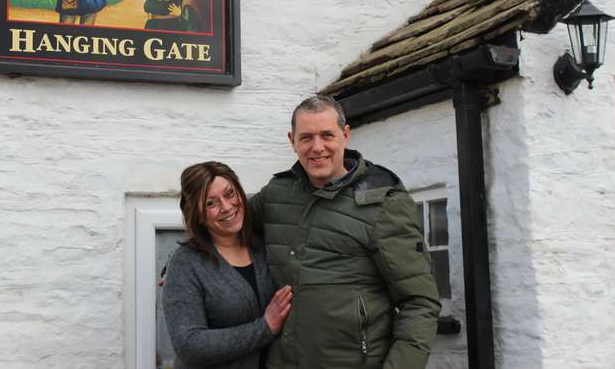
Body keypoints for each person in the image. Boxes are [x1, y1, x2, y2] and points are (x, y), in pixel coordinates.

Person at [249, 95, 441, 369]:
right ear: (292, 141)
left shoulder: (383, 203)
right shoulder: (277, 194)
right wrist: (182, 260)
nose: (317, 148)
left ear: (345, 134)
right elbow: (224, 227)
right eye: (306, 138)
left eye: (327, 135)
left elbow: (419, 302)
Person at [163, 161, 293, 369]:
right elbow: (188, 346)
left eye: (230, 194)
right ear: (198, 216)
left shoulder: (263, 246)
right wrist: (265, 327)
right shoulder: (186, 264)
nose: (226, 207)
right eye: (210, 203)